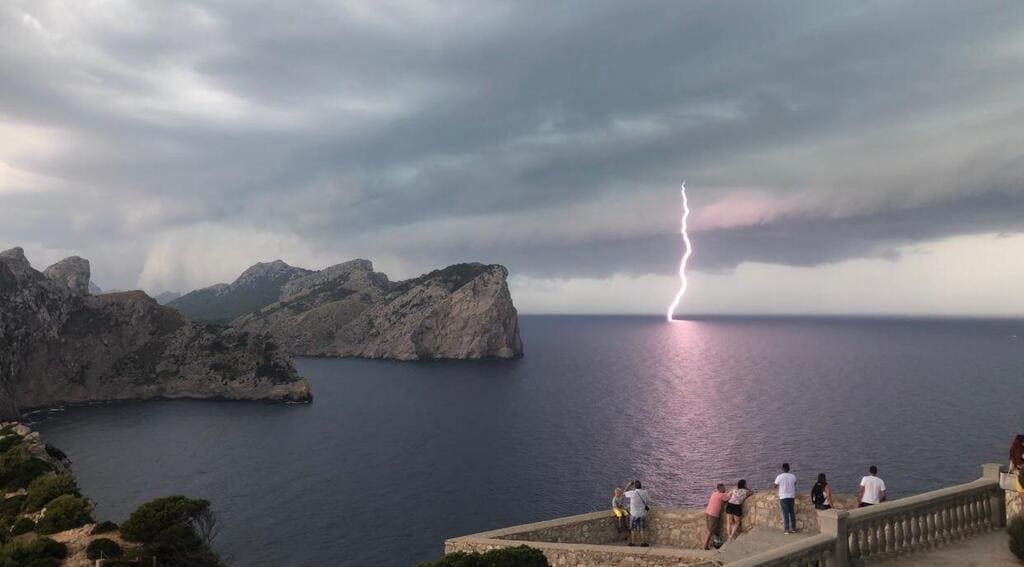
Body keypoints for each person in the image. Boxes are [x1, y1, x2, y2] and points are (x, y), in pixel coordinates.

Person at [623, 480, 651, 547]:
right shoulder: (645, 492)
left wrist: (629, 484)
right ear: (641, 486)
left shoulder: (632, 493)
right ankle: (643, 542)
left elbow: (624, 492)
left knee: (633, 529)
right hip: (642, 513)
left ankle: (633, 542)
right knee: (642, 528)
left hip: (634, 514)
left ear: (634, 486)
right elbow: (647, 502)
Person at [703, 484, 730, 550]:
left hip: (708, 512)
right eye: (724, 488)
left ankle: (711, 543)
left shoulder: (714, 493)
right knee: (711, 530)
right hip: (713, 514)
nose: (725, 489)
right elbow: (728, 498)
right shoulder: (721, 495)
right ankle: (705, 545)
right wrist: (730, 493)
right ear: (720, 489)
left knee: (711, 529)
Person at [774, 463, 797, 533]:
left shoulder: (779, 476)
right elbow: (795, 484)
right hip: (791, 496)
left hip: (783, 497)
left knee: (785, 514)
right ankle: (793, 528)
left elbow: (775, 485)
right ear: (789, 468)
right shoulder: (793, 476)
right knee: (792, 513)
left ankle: (786, 529)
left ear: (782, 469)